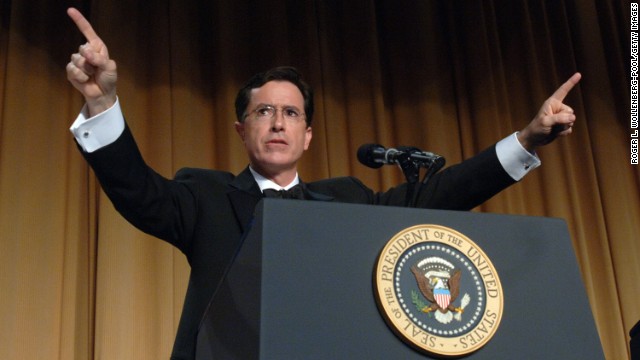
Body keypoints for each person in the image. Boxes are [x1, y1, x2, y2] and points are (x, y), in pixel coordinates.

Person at [65, 7, 581, 360]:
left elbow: (437, 194)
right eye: (263, 111)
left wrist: (526, 139)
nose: (277, 122)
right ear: (242, 130)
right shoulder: (205, 196)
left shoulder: (347, 201)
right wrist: (101, 103)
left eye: (290, 113)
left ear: (307, 135)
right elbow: (138, 191)